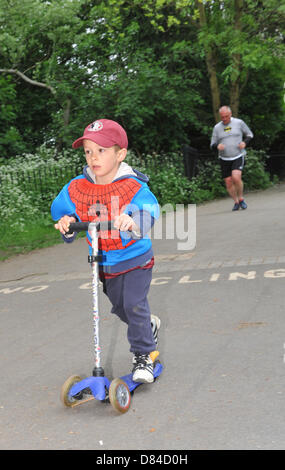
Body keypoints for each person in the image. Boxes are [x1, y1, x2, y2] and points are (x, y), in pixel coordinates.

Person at [51, 119, 161, 384]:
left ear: (120, 154)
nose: (93, 157)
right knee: (122, 308)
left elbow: (148, 209)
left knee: (134, 305)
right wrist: (66, 224)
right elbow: (64, 212)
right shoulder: (77, 187)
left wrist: (134, 221)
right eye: (88, 151)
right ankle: (148, 327)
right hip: (104, 263)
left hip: (136, 259)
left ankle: (143, 354)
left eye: (101, 150)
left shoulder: (133, 185)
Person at [210, 106, 253, 211]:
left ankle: (241, 198)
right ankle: (236, 202)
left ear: (231, 114)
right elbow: (212, 144)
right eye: (222, 117)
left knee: (236, 177)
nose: (224, 119)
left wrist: (244, 142)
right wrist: (217, 146)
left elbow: (249, 134)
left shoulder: (239, 123)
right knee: (228, 182)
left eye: (226, 116)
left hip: (237, 155)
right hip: (224, 158)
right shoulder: (217, 128)